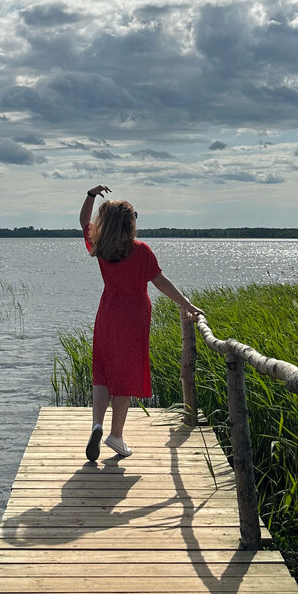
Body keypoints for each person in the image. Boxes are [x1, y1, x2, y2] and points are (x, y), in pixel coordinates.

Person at [80, 184, 202, 461]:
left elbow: (84, 222)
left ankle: (97, 424)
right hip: (134, 315)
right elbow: (161, 282)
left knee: (102, 372)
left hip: (108, 311)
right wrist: (188, 305)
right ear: (129, 223)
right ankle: (116, 436)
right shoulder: (141, 250)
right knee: (126, 374)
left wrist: (90, 195)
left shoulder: (100, 247)